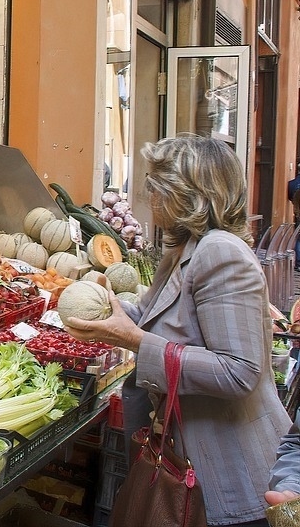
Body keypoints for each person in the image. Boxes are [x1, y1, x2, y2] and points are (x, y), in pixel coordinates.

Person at [63, 134, 291, 527]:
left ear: (186, 192)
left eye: (155, 182)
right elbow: (158, 317)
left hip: (227, 470)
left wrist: (132, 339)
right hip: (188, 458)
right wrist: (112, 312)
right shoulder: (184, 250)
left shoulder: (221, 253)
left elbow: (239, 372)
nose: (147, 192)